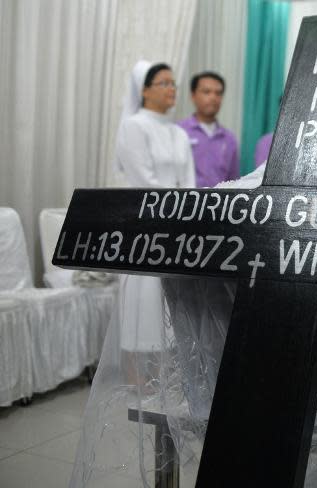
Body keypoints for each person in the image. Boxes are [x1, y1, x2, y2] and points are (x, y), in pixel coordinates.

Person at [114, 60, 195, 386]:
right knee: (143, 302)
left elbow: (188, 182)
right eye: (163, 83)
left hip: (176, 227)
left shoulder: (178, 132)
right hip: (145, 229)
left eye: (173, 83)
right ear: (144, 90)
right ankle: (136, 378)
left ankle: (168, 377)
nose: (171, 89)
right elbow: (143, 179)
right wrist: (172, 213)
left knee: (169, 303)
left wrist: (188, 216)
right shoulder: (134, 126)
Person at [178, 71, 239, 187]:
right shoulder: (179, 131)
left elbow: (234, 182)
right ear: (193, 96)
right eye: (206, 92)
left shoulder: (229, 138)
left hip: (220, 203)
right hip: (185, 202)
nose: (213, 97)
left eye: (218, 93)